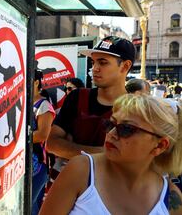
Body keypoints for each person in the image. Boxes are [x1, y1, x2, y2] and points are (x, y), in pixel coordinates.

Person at [40, 94, 182, 215]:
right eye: (110, 124)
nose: (111, 134)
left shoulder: (171, 199)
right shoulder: (82, 170)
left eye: (126, 129)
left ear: (160, 145)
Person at [46, 36, 135, 160]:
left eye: (103, 62)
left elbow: (130, 156)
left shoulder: (136, 109)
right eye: (93, 62)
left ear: (125, 66)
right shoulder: (76, 97)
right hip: (71, 178)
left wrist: (71, 148)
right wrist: (105, 153)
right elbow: (52, 144)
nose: (94, 68)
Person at [31, 70, 55, 215]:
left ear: (36, 82)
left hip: (38, 166)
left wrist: (19, 139)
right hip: (24, 165)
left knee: (30, 206)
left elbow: (42, 135)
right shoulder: (24, 103)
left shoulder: (43, 105)